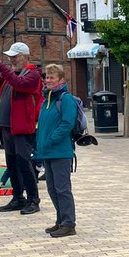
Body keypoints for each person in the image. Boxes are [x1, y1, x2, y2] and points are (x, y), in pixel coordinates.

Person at [0, 42, 42, 215]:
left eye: (15, 57)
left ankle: (33, 199)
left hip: (22, 127)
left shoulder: (33, 74)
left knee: (24, 163)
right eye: (10, 57)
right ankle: (18, 198)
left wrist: (0, 65)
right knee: (12, 164)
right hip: (8, 126)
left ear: (25, 57)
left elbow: (19, 84)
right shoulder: (12, 74)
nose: (12, 60)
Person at [35, 64, 78, 238]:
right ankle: (61, 220)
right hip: (48, 151)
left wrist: (51, 139)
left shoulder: (65, 99)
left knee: (62, 189)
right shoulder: (47, 99)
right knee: (52, 189)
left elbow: (67, 123)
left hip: (60, 151)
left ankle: (69, 223)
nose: (48, 80)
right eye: (47, 77)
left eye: (52, 77)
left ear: (61, 80)